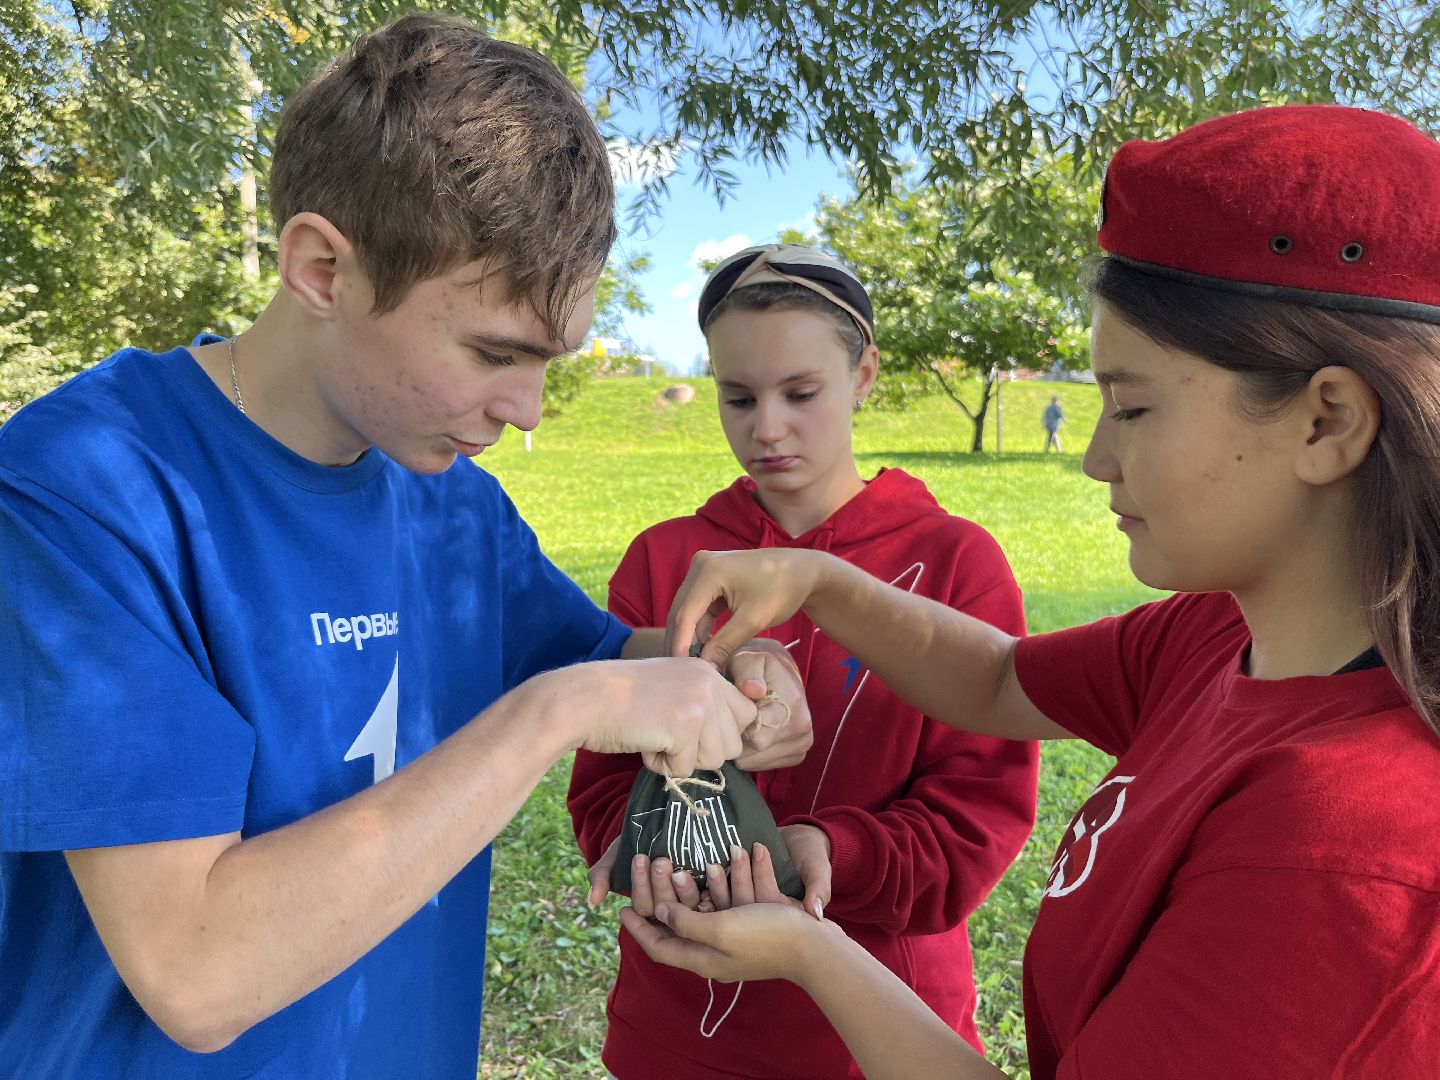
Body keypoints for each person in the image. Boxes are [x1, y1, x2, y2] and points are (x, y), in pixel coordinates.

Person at [0, 16, 808, 1079]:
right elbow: (193, 973)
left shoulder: (451, 507)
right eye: (493, 352)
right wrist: (559, 711)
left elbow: (614, 659)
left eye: (550, 361)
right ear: (323, 269)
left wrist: (728, 670)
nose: (527, 412)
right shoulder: (86, 487)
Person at [622, 104, 1440, 1079]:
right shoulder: (1215, 640)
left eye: (1132, 406)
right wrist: (816, 579)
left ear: (1327, 422)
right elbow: (999, 679)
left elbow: (975, 787)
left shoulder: (1341, 849)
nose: (1097, 456)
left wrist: (808, 947)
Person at [568, 244, 1039, 1079]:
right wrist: (638, 846)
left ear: (863, 375)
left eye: (800, 393)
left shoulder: (955, 564)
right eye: (738, 397)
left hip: (880, 1028)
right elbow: (603, 778)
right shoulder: (664, 560)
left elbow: (979, 814)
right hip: (679, 1024)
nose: (767, 428)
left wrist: (833, 849)